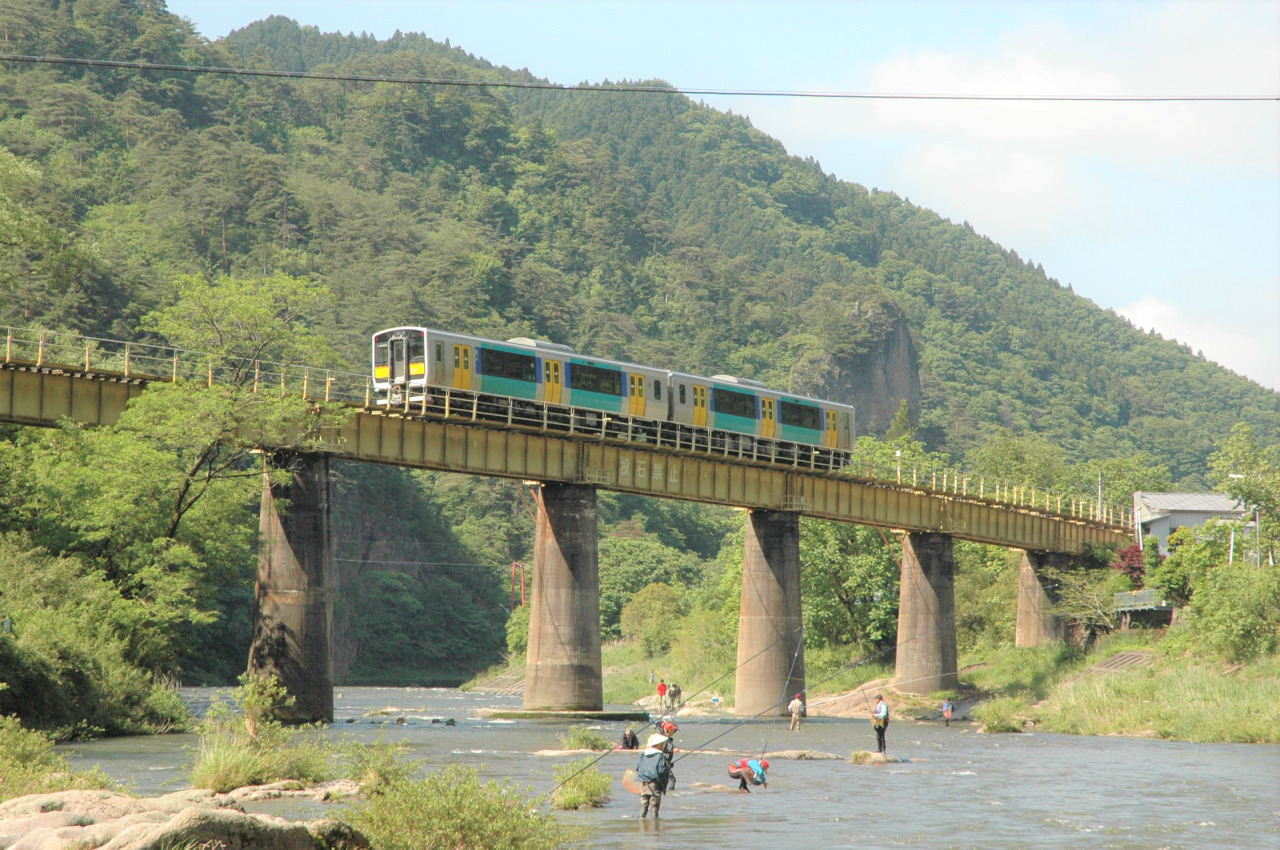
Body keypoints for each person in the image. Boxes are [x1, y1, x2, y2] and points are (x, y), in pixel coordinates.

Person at [635, 732, 674, 818]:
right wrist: (668, 767)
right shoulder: (660, 756)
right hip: (655, 784)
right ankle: (655, 826)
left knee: (644, 805)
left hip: (644, 784)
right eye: (662, 744)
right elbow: (661, 771)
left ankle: (642, 823)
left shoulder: (642, 755)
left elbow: (637, 768)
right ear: (659, 744)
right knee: (654, 807)